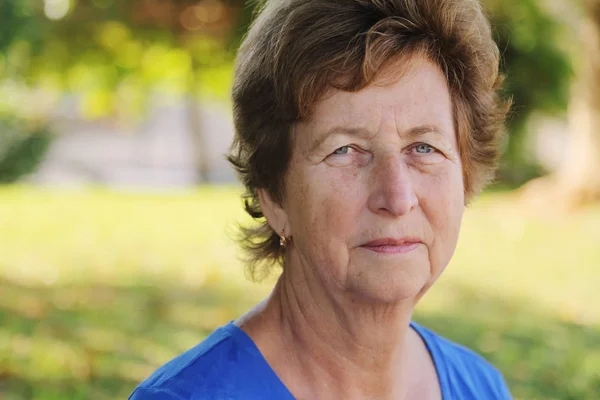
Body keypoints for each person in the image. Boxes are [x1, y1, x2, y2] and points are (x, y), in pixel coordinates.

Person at [130, 0, 512, 398]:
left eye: (424, 147)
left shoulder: (482, 388)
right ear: (274, 194)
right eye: (345, 150)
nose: (397, 198)